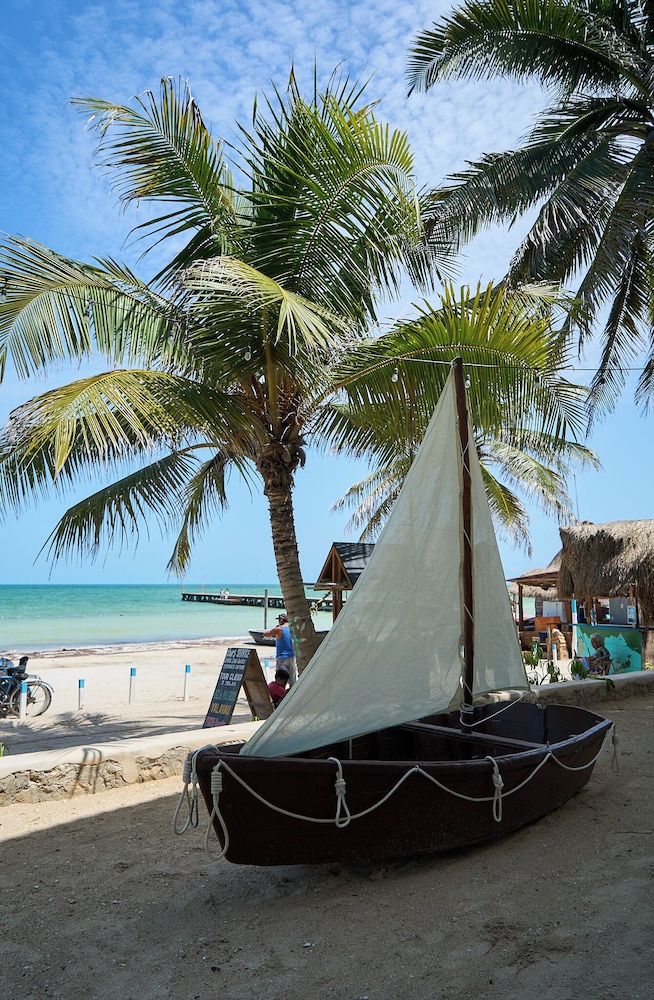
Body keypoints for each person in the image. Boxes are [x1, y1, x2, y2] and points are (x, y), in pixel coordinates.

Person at [262, 613, 297, 685]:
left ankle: (281, 694)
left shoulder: (279, 629)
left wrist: (276, 628)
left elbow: (265, 634)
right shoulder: (292, 628)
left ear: (281, 620)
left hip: (282, 656)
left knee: (281, 679)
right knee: (292, 678)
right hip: (292, 656)